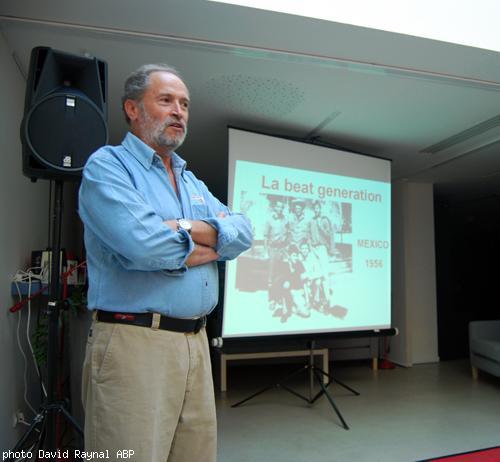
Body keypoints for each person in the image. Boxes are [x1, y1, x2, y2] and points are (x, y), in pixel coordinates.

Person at [78, 64, 253, 462]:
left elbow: (242, 232)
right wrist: (213, 241)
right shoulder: (107, 167)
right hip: (134, 344)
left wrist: (184, 227)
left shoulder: (189, 179)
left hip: (195, 343)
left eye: (185, 104)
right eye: (166, 100)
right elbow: (145, 246)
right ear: (132, 109)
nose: (180, 111)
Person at [263, 198, 289, 312]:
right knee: (271, 277)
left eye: (282, 207)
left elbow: (288, 233)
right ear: (275, 207)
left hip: (282, 251)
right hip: (272, 250)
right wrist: (265, 252)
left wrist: (287, 248)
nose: (280, 209)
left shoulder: (285, 220)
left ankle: (279, 298)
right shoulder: (269, 220)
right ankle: (271, 300)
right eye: (278, 207)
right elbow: (265, 237)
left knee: (281, 276)